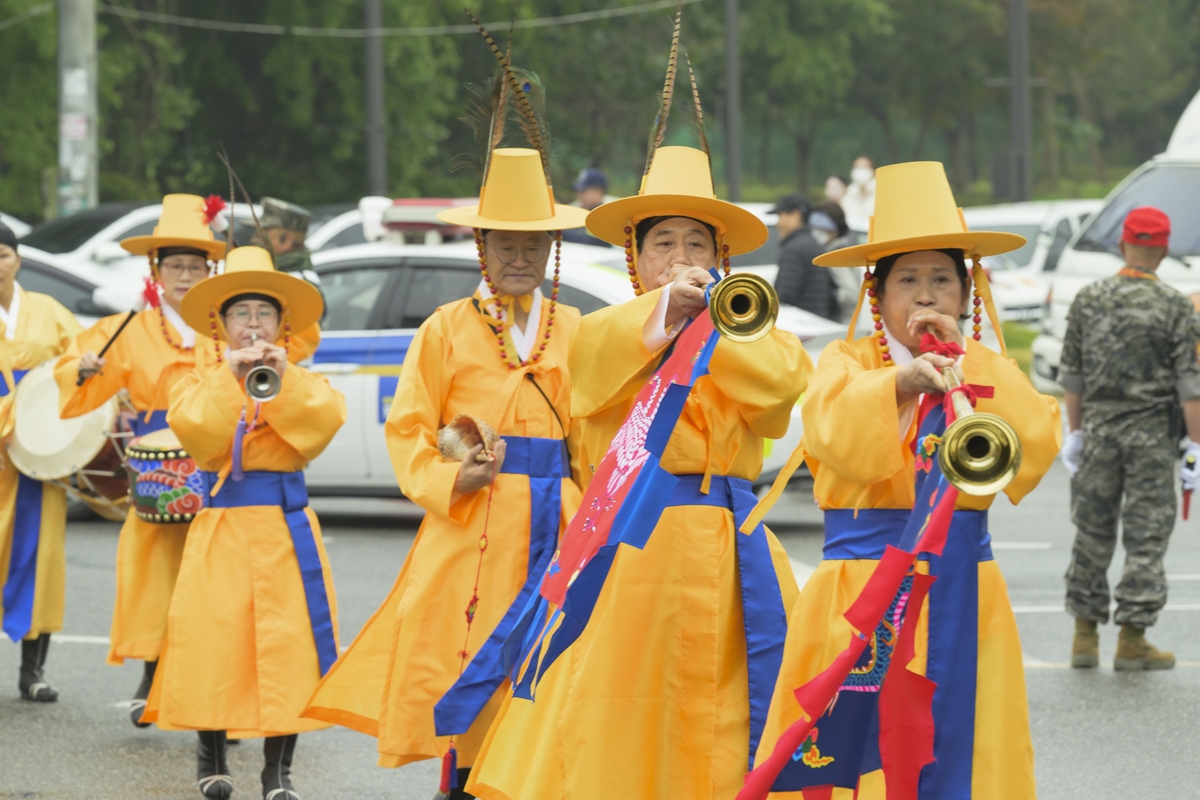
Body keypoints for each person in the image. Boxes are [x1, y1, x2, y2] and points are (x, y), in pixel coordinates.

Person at [465, 30, 813, 795]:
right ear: (636, 260)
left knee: (734, 713)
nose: (682, 260)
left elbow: (784, 389)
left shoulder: (752, 332)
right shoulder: (605, 331)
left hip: (732, 550)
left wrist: (711, 327)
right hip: (631, 549)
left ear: (724, 261)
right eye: (664, 245)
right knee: (622, 714)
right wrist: (667, 317)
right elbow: (592, 373)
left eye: (698, 244)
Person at [744, 162, 1060, 799]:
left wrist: (965, 364)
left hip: (966, 582)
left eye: (942, 279)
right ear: (876, 294)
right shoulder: (847, 359)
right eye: (907, 280)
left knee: (965, 750)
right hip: (863, 587)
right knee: (856, 758)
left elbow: (1038, 442)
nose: (924, 295)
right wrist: (900, 382)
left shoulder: (985, 362)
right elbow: (829, 429)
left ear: (966, 296)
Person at [303, 143, 589, 797]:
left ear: (551, 250)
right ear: (480, 247)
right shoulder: (445, 329)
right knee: (464, 653)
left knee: (549, 665)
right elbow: (408, 427)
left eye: (532, 245)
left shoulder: (575, 329)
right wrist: (453, 477)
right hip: (473, 525)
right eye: (504, 244)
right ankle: (460, 781)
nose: (519, 258)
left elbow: (597, 433)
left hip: (560, 517)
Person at [140, 245, 345, 800]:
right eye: (240, 314)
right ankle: (211, 758)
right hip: (223, 527)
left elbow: (325, 425)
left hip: (285, 526)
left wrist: (282, 378)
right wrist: (230, 380)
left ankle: (278, 773)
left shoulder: (303, 378)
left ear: (281, 325)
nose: (252, 325)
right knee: (215, 641)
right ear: (222, 325)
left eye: (263, 314)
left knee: (289, 648)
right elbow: (195, 432)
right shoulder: (199, 380)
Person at [54, 194, 225, 725]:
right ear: (156, 270)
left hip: (217, 462)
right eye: (175, 265)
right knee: (154, 576)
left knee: (218, 576)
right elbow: (82, 369)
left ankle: (223, 696)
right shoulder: (132, 326)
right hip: (157, 469)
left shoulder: (225, 322)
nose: (185, 275)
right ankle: (151, 680)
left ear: (210, 270)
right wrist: (81, 370)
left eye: (195, 266)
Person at [1059, 206, 1200, 671]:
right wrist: (1195, 448)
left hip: (1098, 432)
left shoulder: (1087, 298)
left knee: (1092, 531)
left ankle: (1084, 637)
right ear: (1162, 251)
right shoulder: (1176, 306)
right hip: (1150, 440)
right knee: (1145, 538)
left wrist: (1075, 432)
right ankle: (1132, 640)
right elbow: (1191, 388)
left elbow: (1073, 377)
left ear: (1123, 245)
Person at [0, 221, 82, 702]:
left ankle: (33, 671)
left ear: (19, 260)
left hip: (39, 458)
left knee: (40, 560)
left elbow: (78, 365)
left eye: (3, 256)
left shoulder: (49, 312)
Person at [771, 193, 839, 321]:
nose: (777, 223)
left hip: (799, 329)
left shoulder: (794, 249)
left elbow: (784, 297)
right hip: (819, 324)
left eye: (780, 216)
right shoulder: (814, 245)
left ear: (795, 216)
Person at [254, 197, 320, 284]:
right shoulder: (277, 272)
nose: (254, 239)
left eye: (263, 234)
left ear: (287, 240)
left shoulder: (299, 283)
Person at [562, 168, 612, 247]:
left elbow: (593, 241)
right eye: (577, 190)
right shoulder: (580, 212)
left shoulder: (608, 215)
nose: (579, 194)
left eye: (583, 190)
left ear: (598, 191)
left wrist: (558, 231)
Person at [840, 156, 877, 231]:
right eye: (857, 168)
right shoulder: (848, 194)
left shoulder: (880, 190)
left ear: (872, 170)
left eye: (863, 168)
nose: (860, 171)